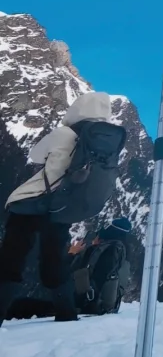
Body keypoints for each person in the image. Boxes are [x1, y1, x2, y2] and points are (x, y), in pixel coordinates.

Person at [0, 91, 126, 327]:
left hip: (31, 203)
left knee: (12, 258)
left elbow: (34, 155)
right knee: (55, 259)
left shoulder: (64, 133)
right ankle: (66, 313)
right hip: (62, 207)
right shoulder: (106, 143)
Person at [70, 215, 134, 315]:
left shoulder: (110, 249)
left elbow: (97, 276)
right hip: (105, 303)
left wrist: (76, 253)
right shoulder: (122, 249)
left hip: (90, 303)